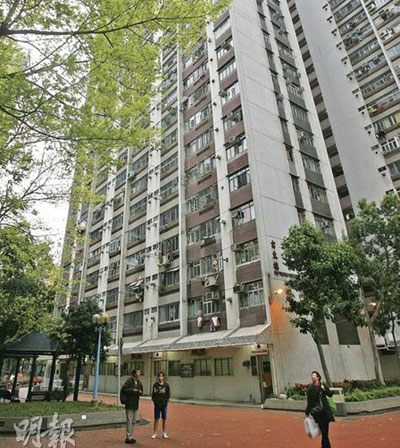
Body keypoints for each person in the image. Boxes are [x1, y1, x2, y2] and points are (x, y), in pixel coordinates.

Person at [305, 371, 335, 448]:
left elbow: (330, 394)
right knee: (324, 431)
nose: (312, 377)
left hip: (325, 411)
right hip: (318, 412)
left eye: (314, 375)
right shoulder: (310, 388)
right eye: (312, 376)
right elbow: (309, 401)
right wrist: (307, 411)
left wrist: (324, 389)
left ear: (318, 377)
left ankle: (324, 446)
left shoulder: (322, 386)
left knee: (325, 432)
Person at [121, 369, 143, 444]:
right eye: (138, 372)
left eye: (139, 372)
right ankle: (128, 437)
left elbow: (141, 390)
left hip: (135, 403)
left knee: (134, 421)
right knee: (129, 420)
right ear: (134, 374)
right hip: (129, 403)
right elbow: (124, 389)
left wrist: (140, 392)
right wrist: (132, 390)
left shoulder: (139, 382)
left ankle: (131, 435)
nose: (139, 373)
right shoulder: (129, 381)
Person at [151, 371, 170, 439]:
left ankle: (164, 432)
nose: (160, 377)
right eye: (159, 376)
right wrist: (155, 402)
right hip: (157, 405)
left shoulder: (166, 385)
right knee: (156, 419)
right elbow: (153, 395)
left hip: (164, 405)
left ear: (163, 377)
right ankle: (155, 433)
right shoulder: (155, 385)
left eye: (161, 376)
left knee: (164, 419)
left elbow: (168, 395)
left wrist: (165, 402)